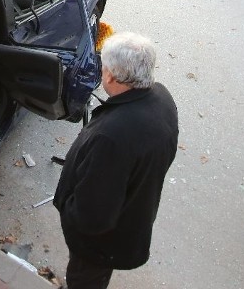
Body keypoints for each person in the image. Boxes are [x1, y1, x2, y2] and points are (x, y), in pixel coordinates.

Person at [54, 32, 178, 289]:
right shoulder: (162, 98)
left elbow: (92, 217)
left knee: (84, 282)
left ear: (110, 76)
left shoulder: (112, 137)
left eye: (104, 67)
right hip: (129, 219)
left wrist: (68, 210)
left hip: (98, 247)